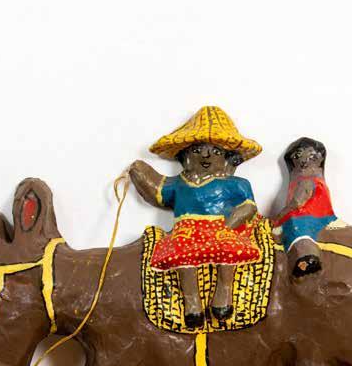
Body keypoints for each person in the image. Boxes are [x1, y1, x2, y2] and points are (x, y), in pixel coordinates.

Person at [129, 106, 262, 328]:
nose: (206, 156)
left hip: (222, 227)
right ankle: (192, 301)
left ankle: (224, 291)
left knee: (227, 252)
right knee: (182, 255)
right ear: (185, 156)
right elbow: (158, 194)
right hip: (186, 232)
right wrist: (140, 172)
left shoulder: (236, 184)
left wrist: (230, 224)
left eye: (216, 151)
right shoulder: (178, 183)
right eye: (198, 150)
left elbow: (249, 207)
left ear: (229, 158)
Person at [272, 137, 337, 277]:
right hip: (316, 215)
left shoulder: (306, 182)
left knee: (296, 228)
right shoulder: (307, 180)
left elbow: (297, 202)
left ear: (318, 159)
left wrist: (278, 217)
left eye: (309, 155)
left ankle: (307, 257)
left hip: (310, 216)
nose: (302, 160)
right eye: (297, 156)